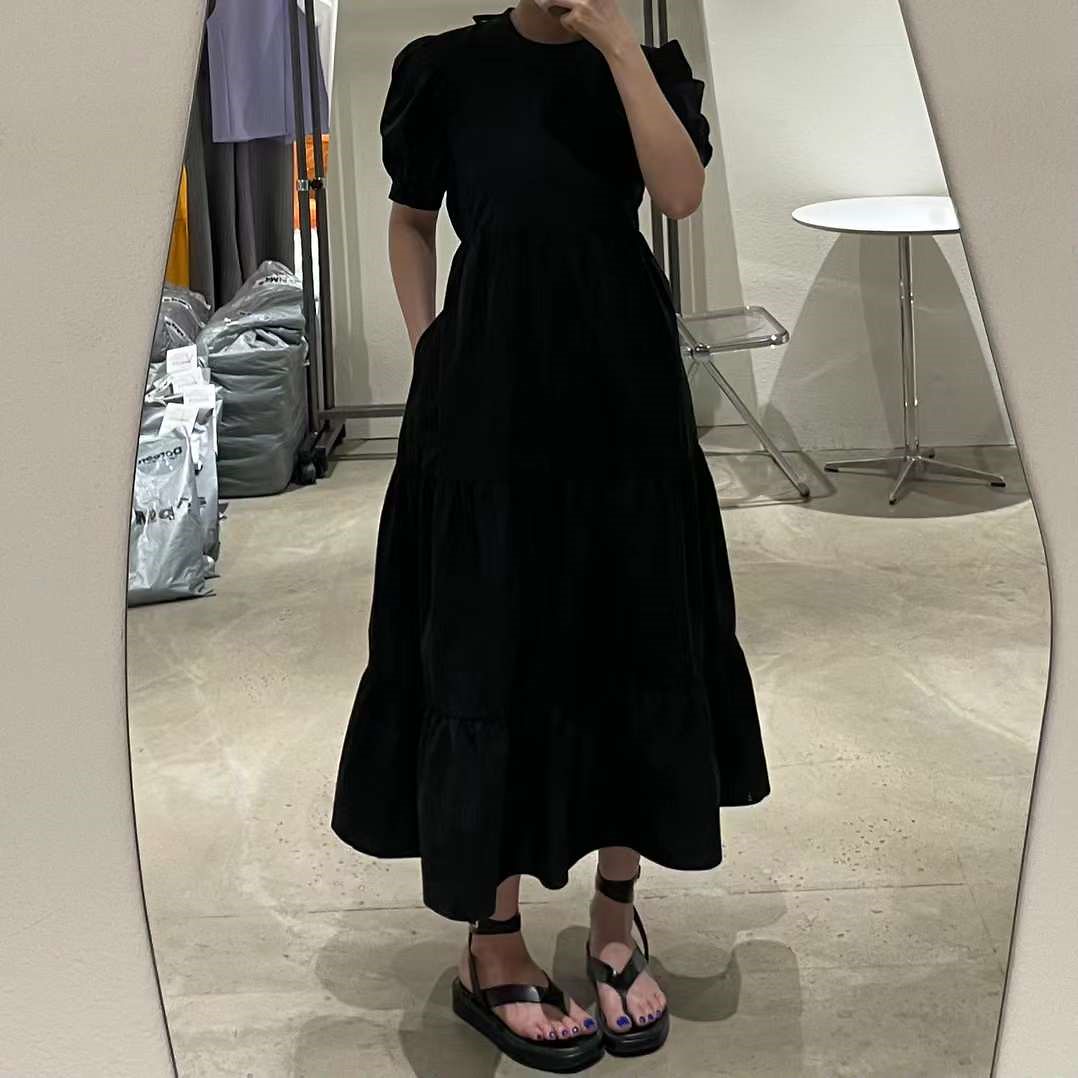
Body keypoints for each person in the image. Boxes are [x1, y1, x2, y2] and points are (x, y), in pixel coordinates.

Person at [331, 1, 770, 1070]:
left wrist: (619, 47)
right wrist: (430, 350)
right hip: (486, 389)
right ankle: (493, 940)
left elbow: (678, 194)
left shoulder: (644, 65)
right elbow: (409, 218)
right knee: (487, 643)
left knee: (634, 633)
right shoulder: (443, 68)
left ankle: (617, 918)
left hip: (622, 389)